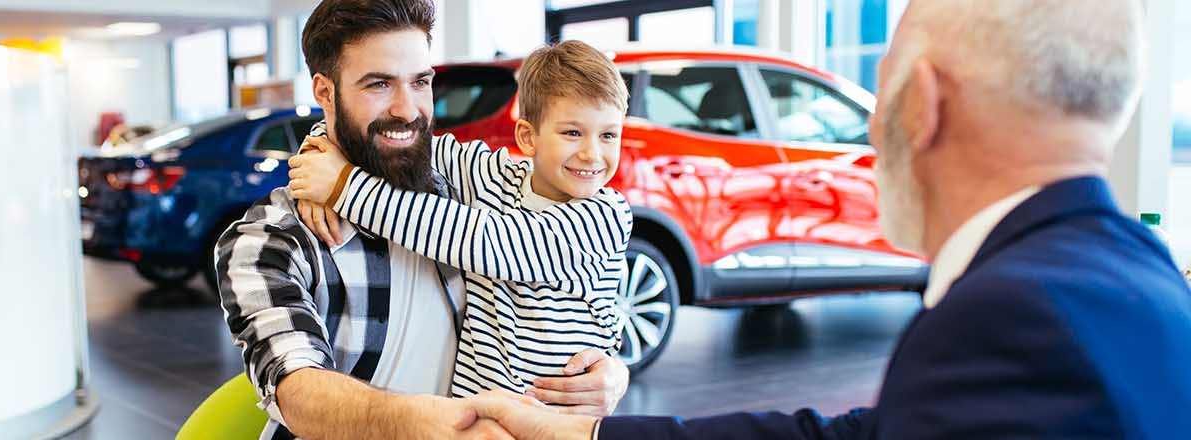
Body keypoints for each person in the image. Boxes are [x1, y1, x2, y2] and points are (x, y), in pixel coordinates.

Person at [462, 0, 1191, 438]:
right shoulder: (1145, 273)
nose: (871, 134)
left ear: (923, 103)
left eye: (883, 93)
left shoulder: (1006, 319)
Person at [213, 1, 628, 439]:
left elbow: (516, 259)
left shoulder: (460, 194)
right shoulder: (272, 238)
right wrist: (422, 425)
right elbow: (297, 390)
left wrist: (611, 370)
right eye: (378, 84)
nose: (406, 109)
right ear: (324, 92)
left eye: (420, 82)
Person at [287, 40, 634, 399]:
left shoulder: (604, 217)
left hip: (554, 423)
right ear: (528, 137)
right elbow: (394, 143)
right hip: (471, 418)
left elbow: (484, 242)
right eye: (573, 133)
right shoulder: (496, 176)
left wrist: (343, 187)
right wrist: (321, 149)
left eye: (609, 135)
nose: (592, 153)